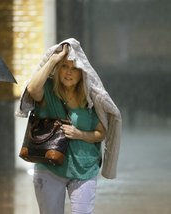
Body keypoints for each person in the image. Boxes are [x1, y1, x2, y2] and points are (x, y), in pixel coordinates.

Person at [16, 38, 122, 214]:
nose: (68, 72)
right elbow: (33, 89)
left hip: (84, 169)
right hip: (49, 167)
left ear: (82, 73)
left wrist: (79, 134)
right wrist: (54, 59)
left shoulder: (91, 97)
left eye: (74, 68)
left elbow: (101, 133)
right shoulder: (48, 90)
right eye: (64, 67)